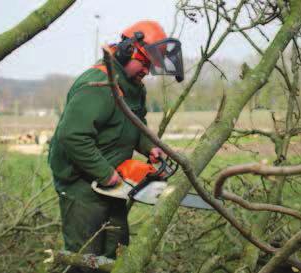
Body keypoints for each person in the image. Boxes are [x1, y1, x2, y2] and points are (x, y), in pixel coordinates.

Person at [48, 20, 184, 272]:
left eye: (151, 66)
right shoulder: (98, 84)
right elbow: (72, 136)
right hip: (82, 187)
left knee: (117, 253)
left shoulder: (134, 87)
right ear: (126, 50)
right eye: (144, 63)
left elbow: (135, 124)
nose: (147, 71)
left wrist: (149, 146)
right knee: (86, 259)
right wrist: (105, 173)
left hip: (112, 185)